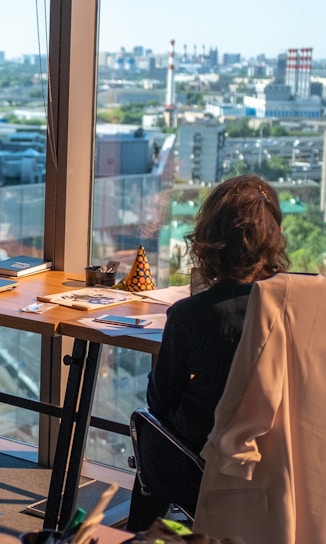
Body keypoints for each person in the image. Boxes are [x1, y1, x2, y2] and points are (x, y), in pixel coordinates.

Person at [125, 174, 290, 530]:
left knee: (147, 423)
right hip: (291, 462)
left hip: (211, 467)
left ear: (209, 241)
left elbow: (159, 401)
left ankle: (140, 536)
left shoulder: (191, 315)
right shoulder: (305, 302)